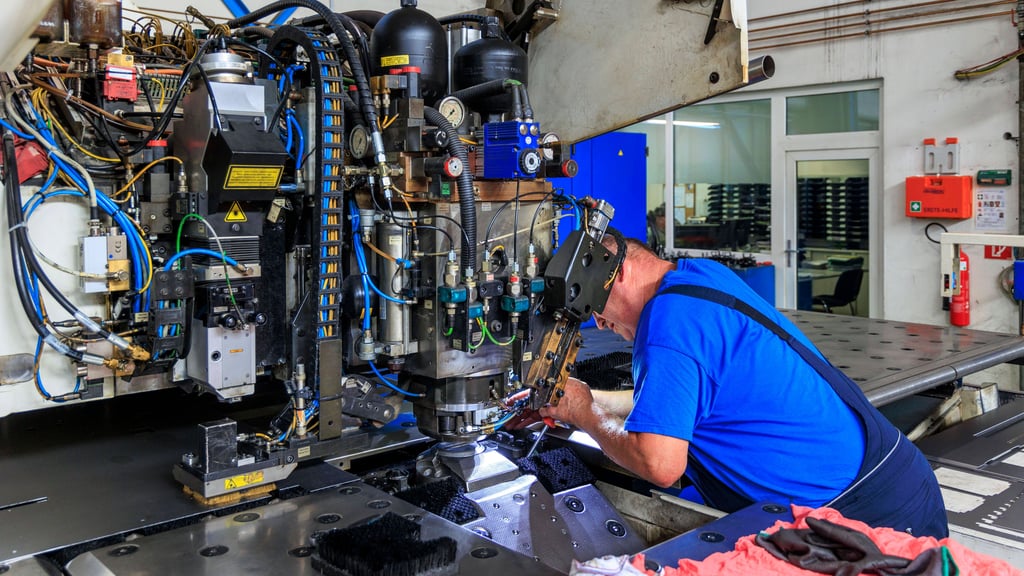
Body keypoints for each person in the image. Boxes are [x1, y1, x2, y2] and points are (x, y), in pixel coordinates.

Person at [538, 236, 948, 539]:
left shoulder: (668, 327)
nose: (601, 325)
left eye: (596, 308)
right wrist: (587, 397)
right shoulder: (696, 278)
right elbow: (685, 401)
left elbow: (659, 464)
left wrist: (584, 414)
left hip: (864, 516)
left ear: (620, 271)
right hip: (896, 478)